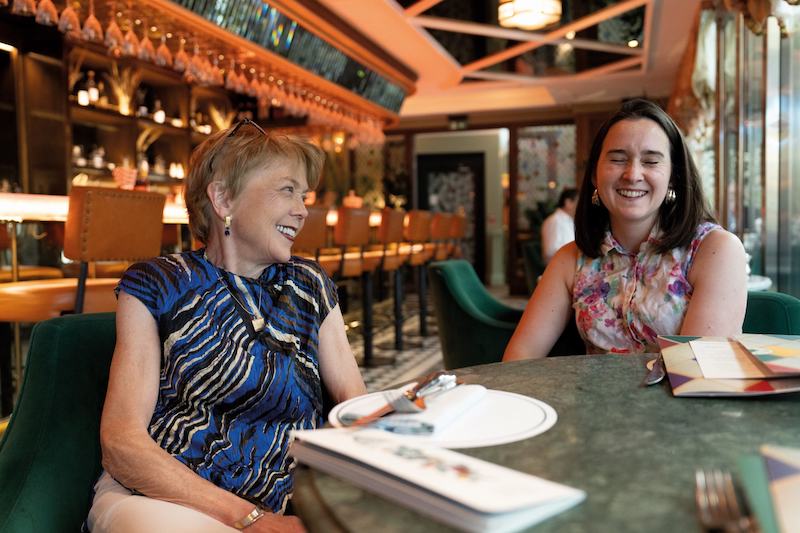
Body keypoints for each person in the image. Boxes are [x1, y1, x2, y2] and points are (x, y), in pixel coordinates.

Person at [88, 119, 367, 532]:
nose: (303, 209)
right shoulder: (160, 284)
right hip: (167, 498)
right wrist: (250, 519)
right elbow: (121, 442)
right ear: (223, 199)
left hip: (288, 497)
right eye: (286, 189)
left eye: (303, 194)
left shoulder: (310, 285)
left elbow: (355, 405)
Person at [503, 99, 748, 360]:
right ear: (595, 175)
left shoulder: (715, 250)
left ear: (673, 176)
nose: (632, 174)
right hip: (589, 401)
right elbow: (519, 357)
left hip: (683, 399)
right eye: (618, 159)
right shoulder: (570, 260)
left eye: (651, 162)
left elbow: (698, 373)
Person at [541, 187, 578, 262]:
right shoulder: (555, 220)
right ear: (568, 202)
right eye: (579, 202)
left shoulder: (568, 220)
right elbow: (550, 251)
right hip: (560, 269)